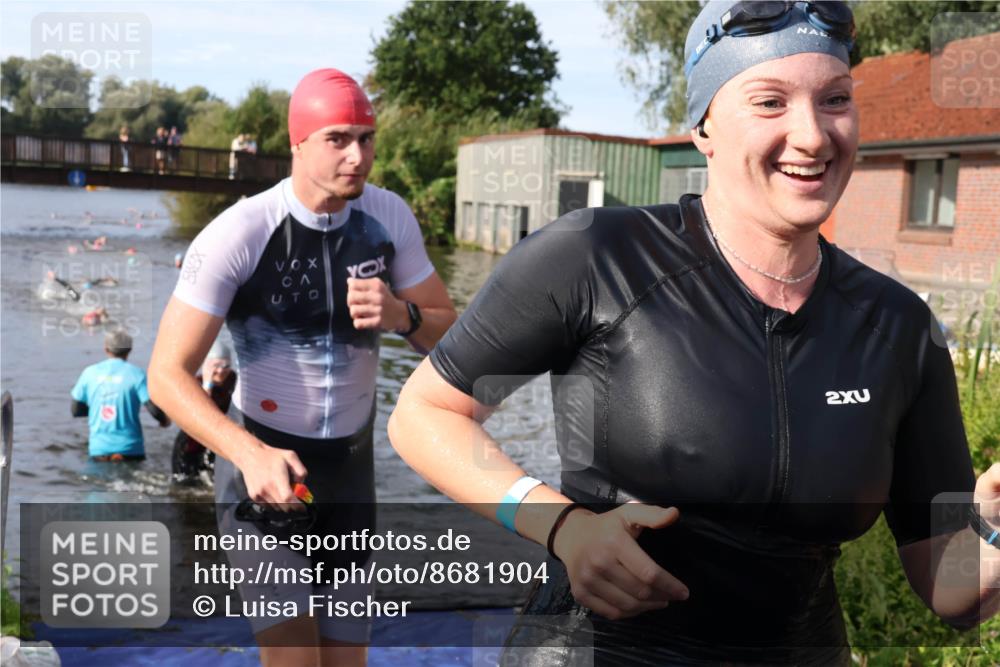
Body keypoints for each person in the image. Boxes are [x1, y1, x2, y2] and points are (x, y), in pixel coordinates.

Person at [387, 2, 1000, 664]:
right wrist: (560, 525)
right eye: (770, 102)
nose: (814, 135)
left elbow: (948, 581)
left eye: (835, 99)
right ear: (704, 126)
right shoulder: (597, 258)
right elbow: (425, 413)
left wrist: (993, 536)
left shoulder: (898, 326)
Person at [148, 67, 457, 666]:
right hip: (265, 476)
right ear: (298, 142)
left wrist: (402, 314)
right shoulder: (239, 232)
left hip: (352, 477)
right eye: (338, 138)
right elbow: (166, 373)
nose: (357, 156)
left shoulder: (389, 219)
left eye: (366, 138)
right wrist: (245, 452)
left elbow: (451, 333)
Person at [71, 330, 170, 461]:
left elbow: (76, 410)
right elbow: (153, 409)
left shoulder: (89, 373)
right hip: (130, 449)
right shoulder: (137, 374)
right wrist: (164, 421)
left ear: (106, 348)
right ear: (129, 349)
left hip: (99, 449)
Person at [170, 339, 237, 482]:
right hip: (191, 444)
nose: (220, 371)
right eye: (216, 365)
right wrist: (208, 384)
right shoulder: (195, 384)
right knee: (184, 485)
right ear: (206, 365)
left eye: (225, 365)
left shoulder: (233, 381)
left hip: (217, 442)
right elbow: (198, 415)